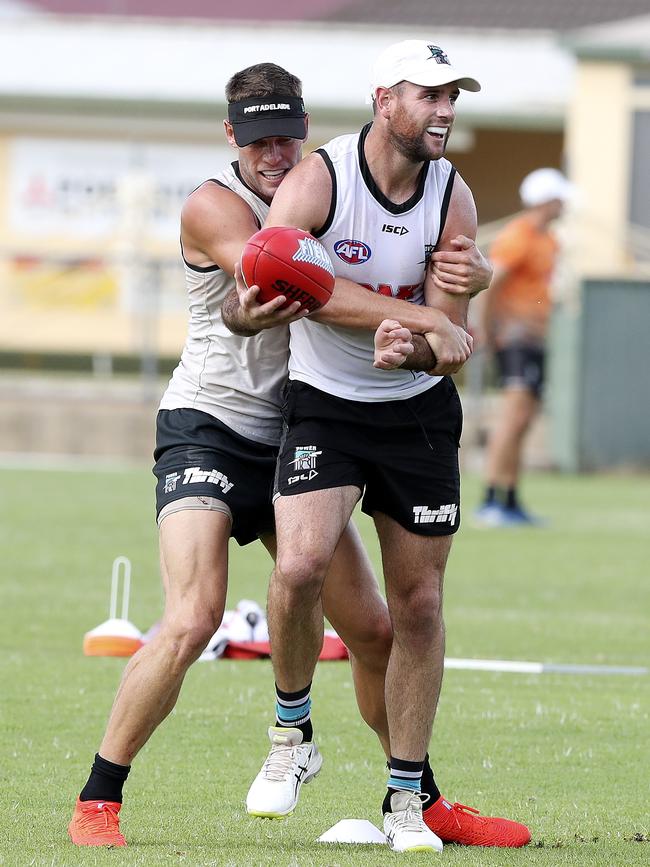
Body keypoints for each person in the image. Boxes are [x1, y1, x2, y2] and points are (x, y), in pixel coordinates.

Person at [66, 60, 495, 850]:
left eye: (286, 137)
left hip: (301, 428)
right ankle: (100, 797)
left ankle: (421, 798)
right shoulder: (213, 204)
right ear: (232, 136)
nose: (274, 155)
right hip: (213, 426)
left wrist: (458, 297)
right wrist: (428, 322)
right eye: (259, 139)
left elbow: (404, 270)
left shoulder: (328, 185)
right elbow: (281, 276)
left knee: (372, 627)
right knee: (194, 616)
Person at [228, 41, 531, 852]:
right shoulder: (319, 178)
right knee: (297, 566)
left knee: (420, 607)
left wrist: (422, 344)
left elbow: (453, 339)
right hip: (325, 405)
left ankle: (405, 798)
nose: (444, 110)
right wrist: (418, 320)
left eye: (452, 96)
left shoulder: (452, 196)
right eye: (428, 95)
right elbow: (277, 279)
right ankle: (292, 738)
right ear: (383, 99)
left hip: (418, 415)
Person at [474, 167, 572, 526]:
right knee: (511, 419)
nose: (564, 204)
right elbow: (493, 283)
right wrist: (488, 330)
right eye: (559, 198)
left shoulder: (550, 240)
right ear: (547, 200)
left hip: (535, 339)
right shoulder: (519, 236)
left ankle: (510, 499)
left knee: (524, 421)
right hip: (514, 339)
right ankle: (489, 501)